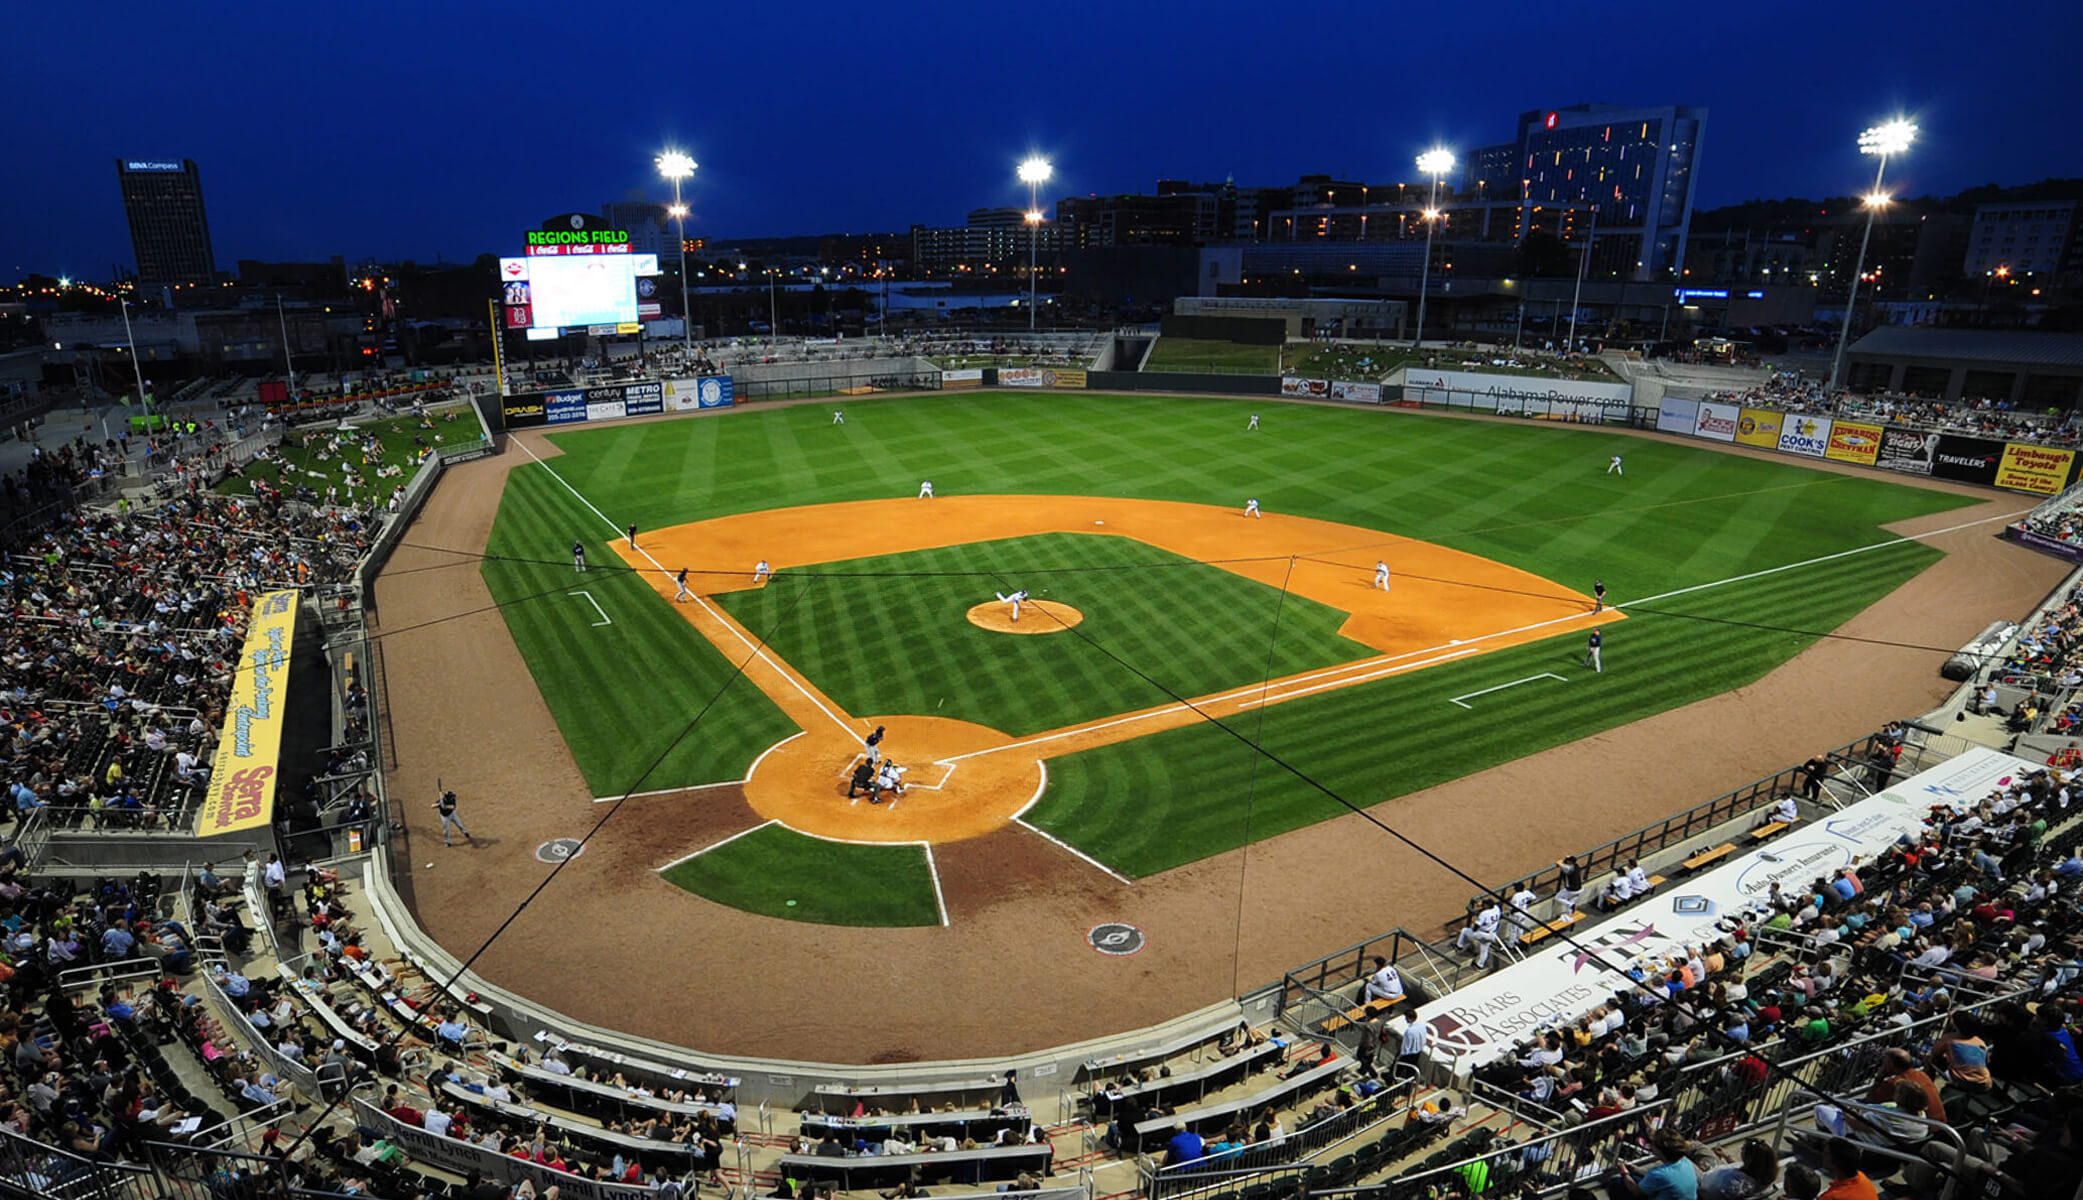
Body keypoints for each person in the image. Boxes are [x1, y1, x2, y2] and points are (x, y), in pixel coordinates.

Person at [1610, 1126, 1695, 1199]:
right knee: (1635, 1176)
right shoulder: (1685, 1161)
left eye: (1653, 1144)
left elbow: (1636, 1191)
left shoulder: (1660, 1173)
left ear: (1660, 1150)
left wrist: (1624, 1171)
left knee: (1616, 1183)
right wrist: (1636, 1169)